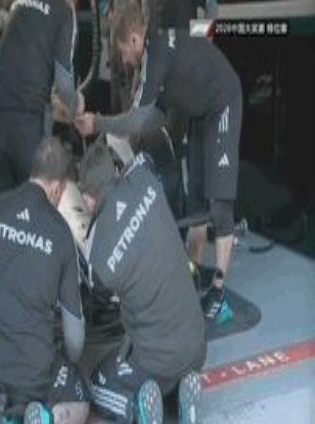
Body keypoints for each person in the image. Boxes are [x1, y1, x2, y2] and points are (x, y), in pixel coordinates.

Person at [75, 2, 242, 322]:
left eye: (124, 51)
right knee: (196, 198)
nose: (124, 60)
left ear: (134, 39)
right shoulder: (154, 59)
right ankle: (191, 276)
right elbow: (155, 118)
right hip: (199, 112)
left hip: (223, 103)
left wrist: (97, 123)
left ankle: (219, 293)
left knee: (219, 202)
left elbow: (138, 121)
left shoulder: (157, 54)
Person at [0, 137, 90, 424]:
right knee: (81, 402)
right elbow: (75, 343)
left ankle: (11, 414)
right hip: (32, 373)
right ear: (57, 187)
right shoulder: (60, 233)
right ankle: (46, 420)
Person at [79, 142, 206, 424]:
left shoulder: (99, 258)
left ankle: (137, 408)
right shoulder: (145, 176)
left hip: (154, 363)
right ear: (117, 171)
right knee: (173, 367)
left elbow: (96, 294)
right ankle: (186, 396)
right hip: (197, 346)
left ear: (86, 198)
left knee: (98, 382)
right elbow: (140, 157)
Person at [0, 0, 85, 196]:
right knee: (34, 201)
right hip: (28, 121)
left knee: (0, 203)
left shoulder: (19, 3)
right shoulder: (64, 12)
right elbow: (64, 85)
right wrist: (76, 106)